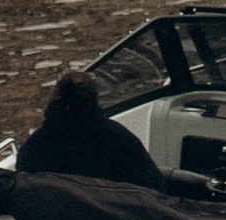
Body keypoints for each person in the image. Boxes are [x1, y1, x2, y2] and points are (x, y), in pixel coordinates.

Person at [16, 68, 169, 187]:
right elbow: (155, 188)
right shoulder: (122, 140)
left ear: (54, 102)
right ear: (94, 101)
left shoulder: (33, 148)